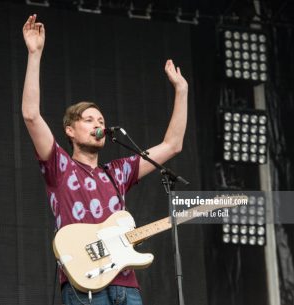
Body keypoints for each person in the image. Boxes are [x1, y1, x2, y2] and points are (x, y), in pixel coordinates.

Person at [22, 14, 188, 305]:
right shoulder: (59, 166)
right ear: (70, 131)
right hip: (86, 284)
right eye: (89, 120)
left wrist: (182, 91)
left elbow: (172, 145)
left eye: (101, 119)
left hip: (127, 285)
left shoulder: (118, 172)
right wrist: (34, 54)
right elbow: (31, 116)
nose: (98, 124)